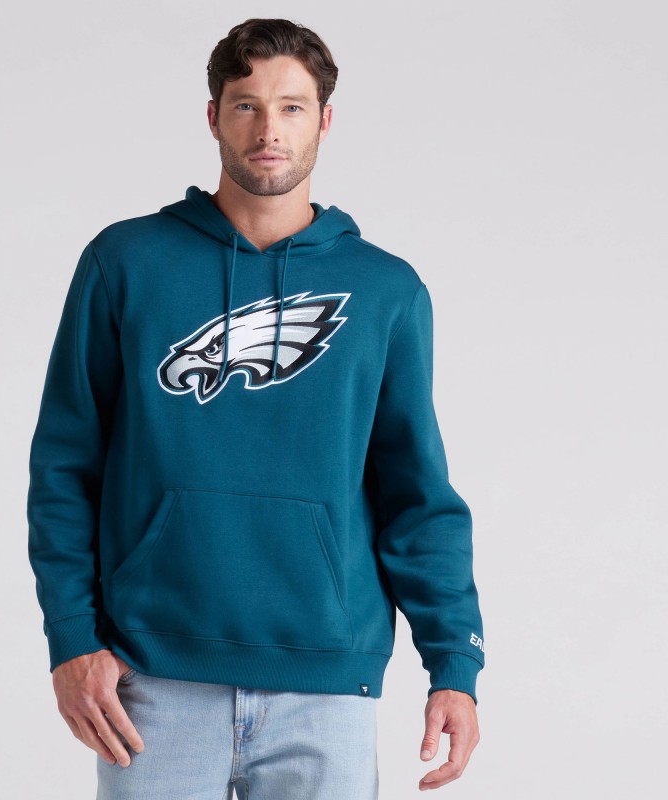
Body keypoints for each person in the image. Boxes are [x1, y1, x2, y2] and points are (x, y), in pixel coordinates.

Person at [27, 17, 484, 799]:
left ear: (325, 121)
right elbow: (66, 468)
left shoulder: (386, 291)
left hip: (327, 686)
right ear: (214, 117)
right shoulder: (126, 263)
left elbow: (416, 493)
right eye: (247, 106)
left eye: (291, 107)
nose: (269, 130)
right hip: (151, 678)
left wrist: (455, 666)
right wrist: (71, 638)